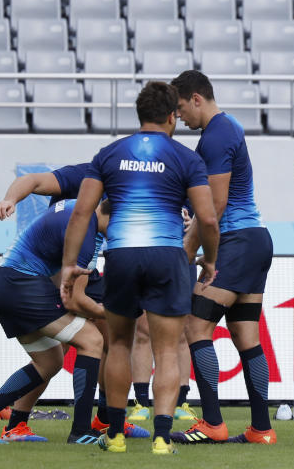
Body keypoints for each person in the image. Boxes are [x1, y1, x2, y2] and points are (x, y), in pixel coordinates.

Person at [60, 81, 220, 455]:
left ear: (139, 115)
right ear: (171, 117)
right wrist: (209, 258)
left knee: (117, 343)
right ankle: (162, 439)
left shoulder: (109, 154)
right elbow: (208, 219)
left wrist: (70, 265)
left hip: (122, 256)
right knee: (166, 350)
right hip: (167, 255)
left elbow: (82, 212)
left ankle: (115, 435)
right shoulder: (186, 158)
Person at [0, 164, 150, 442]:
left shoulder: (121, 204)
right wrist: (10, 200)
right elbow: (32, 180)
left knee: (107, 339)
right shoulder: (89, 177)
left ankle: (106, 419)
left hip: (67, 261)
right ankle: (54, 427)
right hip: (51, 270)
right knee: (82, 341)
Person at [168, 70, 276, 445]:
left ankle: (212, 424)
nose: (179, 116)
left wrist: (189, 251)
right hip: (253, 241)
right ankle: (261, 429)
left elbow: (215, 206)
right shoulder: (226, 128)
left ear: (196, 98)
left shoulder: (216, 134)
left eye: (180, 108)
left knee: (195, 328)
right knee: (246, 335)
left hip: (239, 242)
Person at [0, 199, 109, 445]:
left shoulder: (78, 207)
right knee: (92, 340)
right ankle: (81, 431)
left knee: (49, 362)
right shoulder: (86, 231)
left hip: (7, 282)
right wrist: (114, 313)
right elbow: (75, 300)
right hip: (21, 285)